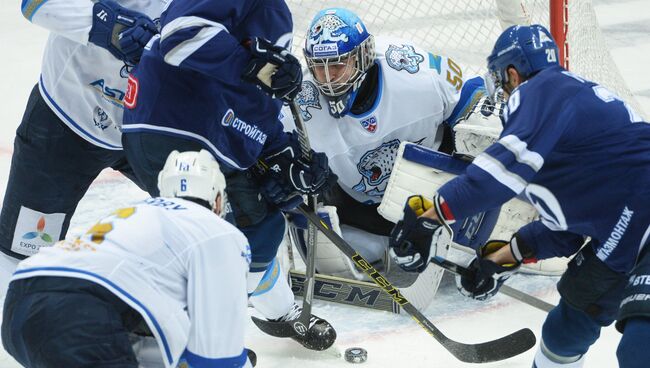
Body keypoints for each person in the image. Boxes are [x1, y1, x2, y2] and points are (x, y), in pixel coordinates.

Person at [388, 24, 650, 368]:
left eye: (499, 80)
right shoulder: (562, 112)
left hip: (639, 226)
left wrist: (428, 219)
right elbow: (565, 228)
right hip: (626, 231)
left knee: (640, 348)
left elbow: (494, 179)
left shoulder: (543, 90)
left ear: (512, 73)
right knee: (564, 332)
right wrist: (501, 259)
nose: (499, 92)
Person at [121, 0, 336, 350]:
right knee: (205, 246)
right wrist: (255, 64)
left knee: (261, 226)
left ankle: (279, 313)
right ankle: (185, 342)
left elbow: (254, 98)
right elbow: (179, 36)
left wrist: (283, 155)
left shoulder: (275, 13)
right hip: (172, 127)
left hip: (206, 134)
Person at [283, 7, 532, 301]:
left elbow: (473, 93)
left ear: (363, 56)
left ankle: (506, 221)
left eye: (337, 66)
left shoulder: (415, 72)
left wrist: (482, 130)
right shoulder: (301, 105)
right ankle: (394, 247)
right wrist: (291, 171)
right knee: (317, 224)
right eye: (319, 68)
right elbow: (270, 152)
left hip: (431, 197)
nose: (328, 80)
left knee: (483, 130)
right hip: (360, 208)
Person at [2, 150, 256, 368]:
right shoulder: (217, 231)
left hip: (20, 304)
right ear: (218, 198)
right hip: (81, 311)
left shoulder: (137, 213)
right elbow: (217, 359)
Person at [0, 0, 159, 292]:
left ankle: (273, 314)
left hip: (156, 127)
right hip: (65, 118)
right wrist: (111, 25)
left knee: (237, 219)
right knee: (23, 250)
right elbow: (36, 3)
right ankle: (27, 331)